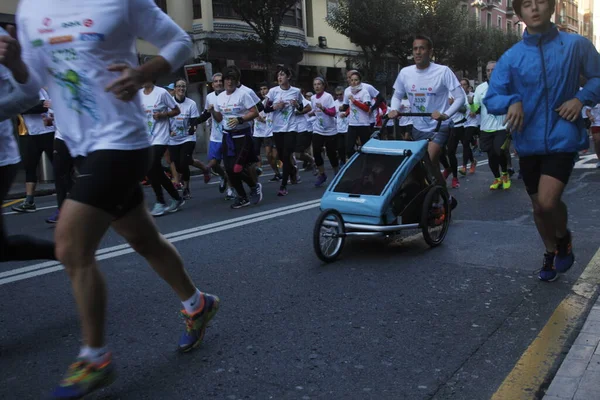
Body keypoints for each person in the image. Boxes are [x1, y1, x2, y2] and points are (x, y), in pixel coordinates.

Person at [3, 1, 220, 398]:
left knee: (70, 245)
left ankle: (95, 357)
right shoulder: (31, 10)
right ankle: (197, 303)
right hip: (76, 144)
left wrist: (143, 73)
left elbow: (179, 41)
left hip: (122, 141)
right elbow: (31, 86)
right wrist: (17, 63)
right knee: (143, 239)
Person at [484, 0, 600, 281]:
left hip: (563, 136)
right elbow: (492, 97)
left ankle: (563, 238)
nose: (534, 9)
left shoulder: (576, 45)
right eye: (526, 4)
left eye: (540, 3)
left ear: (551, 9)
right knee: (538, 207)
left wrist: (580, 98)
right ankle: (551, 251)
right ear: (520, 12)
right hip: (528, 141)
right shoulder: (511, 57)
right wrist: (511, 102)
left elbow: (598, 77)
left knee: (548, 202)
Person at [0, 25, 57, 263]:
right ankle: (68, 252)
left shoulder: (3, 42)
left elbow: (30, 95)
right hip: (29, 134)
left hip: (4, 156)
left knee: (60, 170)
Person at [388, 35, 464, 210]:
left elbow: (460, 98)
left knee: (427, 160)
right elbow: (397, 95)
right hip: (417, 127)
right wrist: (393, 109)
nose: (418, 52)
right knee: (431, 167)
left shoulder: (443, 71)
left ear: (430, 51)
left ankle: (429, 199)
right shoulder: (405, 73)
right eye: (415, 49)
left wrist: (446, 114)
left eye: (422, 48)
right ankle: (446, 198)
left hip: (440, 126)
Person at [211, 65, 262, 208]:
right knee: (228, 170)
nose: (229, 82)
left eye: (232, 79)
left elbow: (255, 112)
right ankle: (242, 197)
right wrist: (212, 112)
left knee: (237, 168)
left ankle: (253, 186)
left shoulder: (243, 94)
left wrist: (240, 119)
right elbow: (220, 117)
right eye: (227, 79)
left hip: (243, 136)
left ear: (237, 80)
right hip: (227, 136)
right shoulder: (219, 97)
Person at [140, 80, 186, 216]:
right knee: (154, 170)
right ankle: (176, 198)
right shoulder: (138, 94)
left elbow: (176, 110)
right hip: (146, 138)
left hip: (160, 137)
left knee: (152, 165)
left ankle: (161, 201)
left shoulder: (161, 93)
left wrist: (163, 115)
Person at [264, 66, 307, 196]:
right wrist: (276, 106)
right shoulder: (272, 91)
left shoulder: (296, 91)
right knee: (280, 156)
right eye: (278, 75)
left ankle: (283, 185)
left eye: (282, 75)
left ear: (288, 77)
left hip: (291, 127)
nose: (280, 77)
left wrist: (296, 105)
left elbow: (301, 107)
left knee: (287, 154)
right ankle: (293, 171)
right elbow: (265, 109)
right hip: (277, 128)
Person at [11, 88, 55, 213]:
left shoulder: (35, 89)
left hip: (47, 132)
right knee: (29, 167)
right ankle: (29, 201)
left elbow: (42, 106)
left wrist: (21, 107)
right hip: (29, 134)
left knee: (59, 168)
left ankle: (71, 199)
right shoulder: (17, 92)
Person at [472, 62, 512, 191]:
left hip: (502, 126)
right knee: (491, 155)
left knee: (499, 151)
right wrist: (470, 108)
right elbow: (475, 106)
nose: (490, 72)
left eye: (493, 70)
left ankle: (505, 174)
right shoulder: (480, 88)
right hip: (485, 127)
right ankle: (497, 177)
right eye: (488, 70)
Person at [168, 78, 200, 200]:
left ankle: (186, 188)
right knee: (176, 164)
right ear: (175, 88)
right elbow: (164, 120)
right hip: (173, 139)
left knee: (183, 161)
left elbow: (194, 121)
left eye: (183, 86)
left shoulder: (191, 103)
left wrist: (193, 127)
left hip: (188, 138)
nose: (181, 89)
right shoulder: (169, 103)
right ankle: (181, 178)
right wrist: (168, 131)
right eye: (179, 86)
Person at [310, 77, 340, 186]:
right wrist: (311, 113)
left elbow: (332, 112)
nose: (317, 86)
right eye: (315, 84)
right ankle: (322, 174)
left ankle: (337, 173)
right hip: (318, 129)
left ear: (323, 86)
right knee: (316, 151)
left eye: (319, 84)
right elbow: (315, 111)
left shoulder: (328, 97)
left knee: (331, 153)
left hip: (330, 130)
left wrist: (323, 109)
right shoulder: (313, 98)